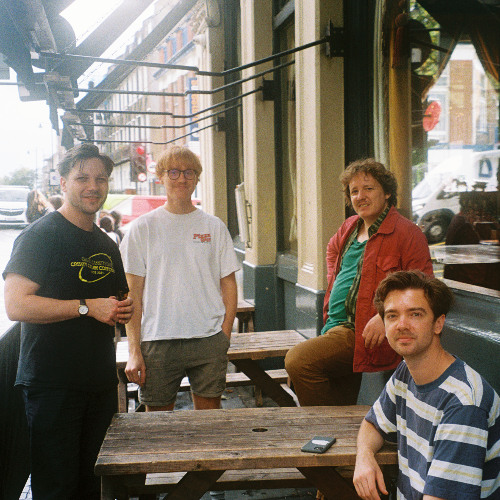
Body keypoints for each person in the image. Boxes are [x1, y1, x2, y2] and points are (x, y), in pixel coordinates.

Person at [3, 144, 134, 499]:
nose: (93, 186)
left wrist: (123, 310)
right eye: (82, 178)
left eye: (101, 179)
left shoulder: (106, 243)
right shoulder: (40, 236)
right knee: (57, 488)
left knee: (94, 485)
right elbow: (16, 305)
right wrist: (85, 307)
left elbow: (116, 301)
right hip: (52, 386)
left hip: (99, 383)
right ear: (63, 183)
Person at [285, 159, 433, 406]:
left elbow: (424, 286)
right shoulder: (349, 228)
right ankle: (333, 430)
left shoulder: (407, 233)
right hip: (334, 326)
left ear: (387, 193)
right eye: (354, 191)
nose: (360, 196)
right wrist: (334, 282)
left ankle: (319, 426)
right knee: (338, 402)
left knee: (298, 361)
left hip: (360, 332)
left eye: (368, 188)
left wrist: (385, 315)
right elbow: (332, 251)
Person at [353, 270, 500, 500]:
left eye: (415, 314)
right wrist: (364, 457)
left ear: (438, 324)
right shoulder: (406, 372)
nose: (402, 325)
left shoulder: (464, 403)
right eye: (392, 316)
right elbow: (373, 424)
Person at [120, 145, 239, 412]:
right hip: (157, 340)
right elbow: (132, 293)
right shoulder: (143, 228)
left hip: (208, 338)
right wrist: (134, 350)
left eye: (189, 172)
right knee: (158, 423)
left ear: (197, 178)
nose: (182, 178)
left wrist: (225, 333)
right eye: (173, 172)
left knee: (209, 420)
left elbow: (229, 284)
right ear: (161, 177)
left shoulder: (214, 226)